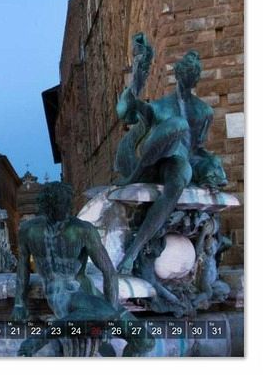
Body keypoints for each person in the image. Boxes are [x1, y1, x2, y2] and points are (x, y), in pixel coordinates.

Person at [114, 35, 222, 274]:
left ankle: (133, 252)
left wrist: (211, 168)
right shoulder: (160, 106)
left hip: (178, 163)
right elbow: (126, 111)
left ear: (196, 77)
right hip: (152, 162)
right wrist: (138, 75)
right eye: (187, 71)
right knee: (178, 124)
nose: (191, 76)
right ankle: (134, 176)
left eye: (195, 73)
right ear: (179, 74)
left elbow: (198, 148)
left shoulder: (204, 111)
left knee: (180, 176)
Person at [12, 182, 152, 357]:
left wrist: (110, 315)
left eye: (68, 203)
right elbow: (23, 268)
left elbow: (109, 272)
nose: (68, 208)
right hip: (62, 295)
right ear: (48, 205)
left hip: (87, 293)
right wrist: (19, 303)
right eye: (62, 203)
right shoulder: (28, 230)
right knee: (105, 314)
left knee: (145, 340)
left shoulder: (83, 230)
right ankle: (40, 339)